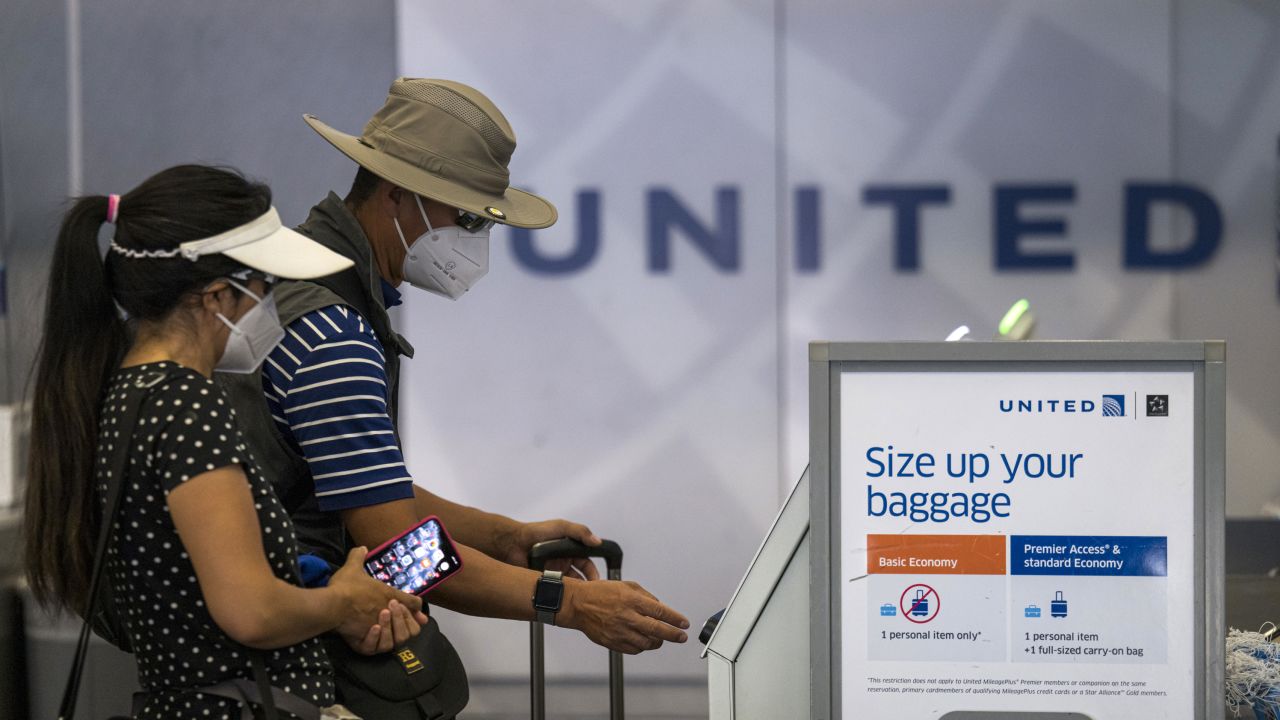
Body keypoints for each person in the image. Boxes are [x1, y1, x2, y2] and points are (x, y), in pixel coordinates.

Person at [221, 78, 688, 702]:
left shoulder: (291, 284)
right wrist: (569, 603)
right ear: (397, 195)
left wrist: (506, 538)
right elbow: (395, 550)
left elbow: (357, 487)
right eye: (467, 218)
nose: (476, 242)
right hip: (270, 673)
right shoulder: (332, 333)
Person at [23, 164, 429, 720]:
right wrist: (343, 602)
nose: (273, 306)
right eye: (264, 286)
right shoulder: (187, 404)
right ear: (216, 295)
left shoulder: (129, 393)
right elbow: (251, 610)